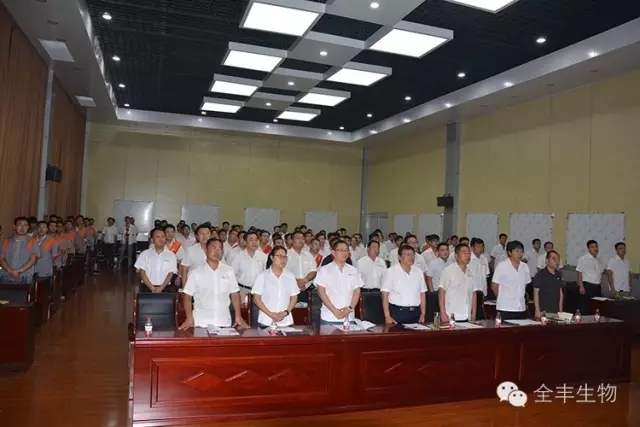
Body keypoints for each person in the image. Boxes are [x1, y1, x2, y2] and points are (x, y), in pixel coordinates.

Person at [179, 238, 249, 329]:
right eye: (214, 248)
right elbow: (187, 296)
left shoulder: (228, 271)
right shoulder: (196, 273)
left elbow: (235, 294)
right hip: (202, 322)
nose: (217, 251)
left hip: (223, 321)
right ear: (206, 250)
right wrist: (189, 317)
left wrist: (238, 316)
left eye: (220, 249)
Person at [315, 240, 363, 325]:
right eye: (341, 250)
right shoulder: (324, 270)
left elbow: (357, 291)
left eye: (346, 250)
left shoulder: (353, 270)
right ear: (333, 253)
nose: (344, 253)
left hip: (349, 317)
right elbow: (321, 292)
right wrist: (335, 311)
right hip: (329, 317)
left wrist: (349, 308)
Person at [251, 246, 299, 328]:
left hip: (285, 320)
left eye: (285, 257)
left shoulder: (290, 276)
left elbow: (294, 297)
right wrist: (271, 314)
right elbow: (256, 299)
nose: (283, 259)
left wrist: (285, 312)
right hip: (266, 320)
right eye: (280, 256)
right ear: (272, 258)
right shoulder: (262, 276)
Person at [381, 244, 427, 325]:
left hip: (416, 312)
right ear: (399, 257)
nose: (411, 257)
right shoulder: (391, 272)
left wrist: (423, 314)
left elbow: (422, 294)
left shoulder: (418, 272)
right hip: (397, 313)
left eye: (412, 255)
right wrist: (387, 316)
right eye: (408, 254)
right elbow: (385, 295)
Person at [491, 240, 531, 320]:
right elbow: (494, 285)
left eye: (521, 251)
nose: (520, 254)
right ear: (509, 252)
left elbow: (525, 284)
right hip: (505, 307)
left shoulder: (525, 267)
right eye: (517, 251)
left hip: (521, 307)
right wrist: (502, 298)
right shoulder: (502, 266)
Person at [438, 244, 476, 324]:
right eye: (464, 253)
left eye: (469, 253)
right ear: (456, 255)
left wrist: (474, 313)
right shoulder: (448, 271)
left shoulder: (471, 272)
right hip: (451, 315)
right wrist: (442, 312)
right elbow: (441, 292)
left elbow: (473, 293)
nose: (467, 255)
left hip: (467, 315)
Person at [134, 228, 177, 293]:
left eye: (163, 236)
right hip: (147, 287)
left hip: (165, 288)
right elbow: (142, 273)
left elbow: (170, 273)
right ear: (152, 240)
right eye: (157, 237)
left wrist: (161, 288)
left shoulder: (171, 255)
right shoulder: (145, 254)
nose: (161, 239)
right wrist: (152, 288)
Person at [0, 217, 40, 284]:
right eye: (20, 224)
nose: (22, 227)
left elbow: (32, 260)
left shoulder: (32, 241)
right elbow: (1, 259)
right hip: (6, 276)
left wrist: (19, 271)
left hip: (25, 277)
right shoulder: (6, 241)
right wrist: (10, 271)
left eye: (25, 225)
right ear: (14, 226)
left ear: (28, 227)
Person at [533, 250, 564, 317]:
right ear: (547, 260)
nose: (557, 261)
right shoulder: (540, 275)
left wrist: (560, 310)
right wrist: (537, 310)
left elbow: (560, 293)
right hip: (544, 312)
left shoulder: (558, 275)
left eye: (558, 259)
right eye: (554, 259)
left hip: (556, 311)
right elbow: (536, 293)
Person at [576, 239, 604, 314]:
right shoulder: (583, 259)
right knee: (585, 306)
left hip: (597, 287)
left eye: (596, 246)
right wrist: (581, 286)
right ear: (588, 249)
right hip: (587, 286)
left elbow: (600, 274)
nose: (595, 248)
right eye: (592, 247)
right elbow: (579, 273)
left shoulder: (599, 260)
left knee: (597, 306)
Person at [34, 220, 59, 284]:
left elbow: (54, 256)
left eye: (44, 227)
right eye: (39, 227)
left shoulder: (52, 240)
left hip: (45, 271)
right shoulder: (32, 240)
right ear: (37, 229)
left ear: (47, 229)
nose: (41, 229)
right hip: (31, 271)